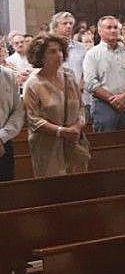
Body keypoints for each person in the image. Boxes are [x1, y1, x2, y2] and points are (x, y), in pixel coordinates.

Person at [24, 34, 90, 177]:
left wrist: (77, 128)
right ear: (40, 56)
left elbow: (81, 107)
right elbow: (33, 119)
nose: (58, 55)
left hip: (73, 141)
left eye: (60, 50)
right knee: (53, 187)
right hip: (47, 146)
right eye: (52, 51)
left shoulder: (69, 77)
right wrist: (61, 131)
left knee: (78, 185)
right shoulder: (33, 84)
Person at [82, 15, 125, 132]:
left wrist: (123, 97)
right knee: (106, 143)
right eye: (109, 27)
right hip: (103, 105)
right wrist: (113, 100)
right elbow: (90, 83)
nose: (113, 30)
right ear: (100, 31)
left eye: (115, 27)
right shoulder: (92, 54)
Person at [0, 65, 23, 182]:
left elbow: (17, 111)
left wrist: (2, 136)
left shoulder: (8, 75)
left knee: (6, 193)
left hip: (4, 142)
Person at [50, 11, 87, 84]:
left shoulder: (81, 48)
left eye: (71, 23)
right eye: (64, 23)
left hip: (78, 90)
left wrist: (81, 85)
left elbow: (86, 71)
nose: (69, 26)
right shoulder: (49, 48)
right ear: (55, 27)